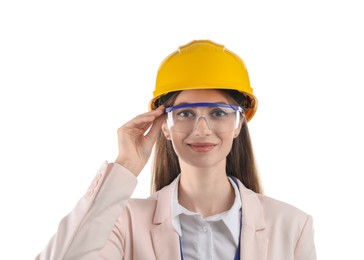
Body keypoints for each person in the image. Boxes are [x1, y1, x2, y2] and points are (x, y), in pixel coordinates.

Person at [36, 40, 316, 260]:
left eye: (219, 112)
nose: (201, 129)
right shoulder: (124, 221)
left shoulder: (291, 226)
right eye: (184, 114)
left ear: (238, 124)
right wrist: (125, 166)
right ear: (164, 126)